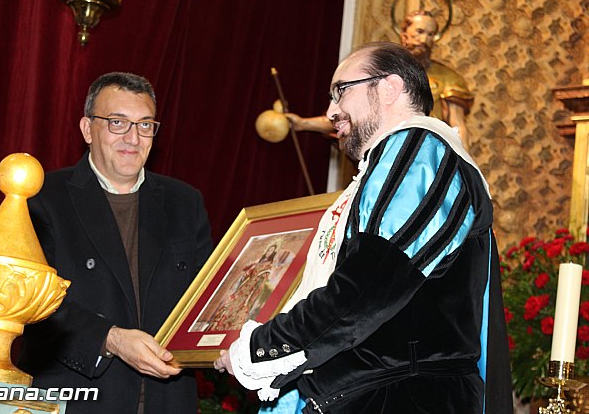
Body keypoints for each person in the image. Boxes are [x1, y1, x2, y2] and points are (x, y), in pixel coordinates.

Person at [215, 42, 512, 413]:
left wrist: (262, 347)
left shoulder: (419, 150)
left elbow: (367, 286)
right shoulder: (393, 163)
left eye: (341, 91)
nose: (330, 111)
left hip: (402, 396)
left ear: (390, 87)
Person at [19, 72, 213, 413]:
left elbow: (206, 299)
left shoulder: (185, 202)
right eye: (117, 122)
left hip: (167, 400)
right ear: (86, 129)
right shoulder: (43, 198)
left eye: (145, 125)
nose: (133, 138)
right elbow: (31, 305)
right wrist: (111, 338)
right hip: (75, 398)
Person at [287, 10, 474, 148]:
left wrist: (467, 168)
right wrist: (303, 123)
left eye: (430, 34)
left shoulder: (449, 79)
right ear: (404, 35)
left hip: (427, 151)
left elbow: (459, 128)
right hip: (380, 152)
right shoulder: (376, 74)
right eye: (419, 31)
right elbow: (347, 116)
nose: (424, 39)